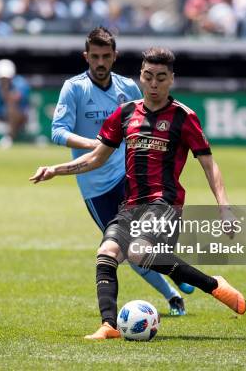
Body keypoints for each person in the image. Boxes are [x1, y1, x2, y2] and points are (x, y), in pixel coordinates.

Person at [31, 47, 246, 340]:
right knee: (106, 254)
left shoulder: (184, 117)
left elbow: (210, 165)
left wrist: (224, 207)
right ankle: (109, 326)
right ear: (141, 78)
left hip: (166, 205)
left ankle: (212, 284)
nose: (154, 84)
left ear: (172, 79)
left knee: (139, 252)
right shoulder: (125, 114)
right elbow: (96, 158)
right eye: (148, 76)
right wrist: (57, 169)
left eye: (161, 77)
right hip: (131, 207)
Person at [51, 27, 192, 317]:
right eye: (95, 56)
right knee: (125, 251)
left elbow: (146, 117)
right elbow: (57, 132)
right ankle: (173, 295)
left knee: (143, 241)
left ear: (114, 56)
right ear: (86, 56)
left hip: (128, 177)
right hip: (95, 186)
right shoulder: (74, 88)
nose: (100, 62)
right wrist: (94, 143)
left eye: (106, 56)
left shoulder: (126, 87)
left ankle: (174, 276)